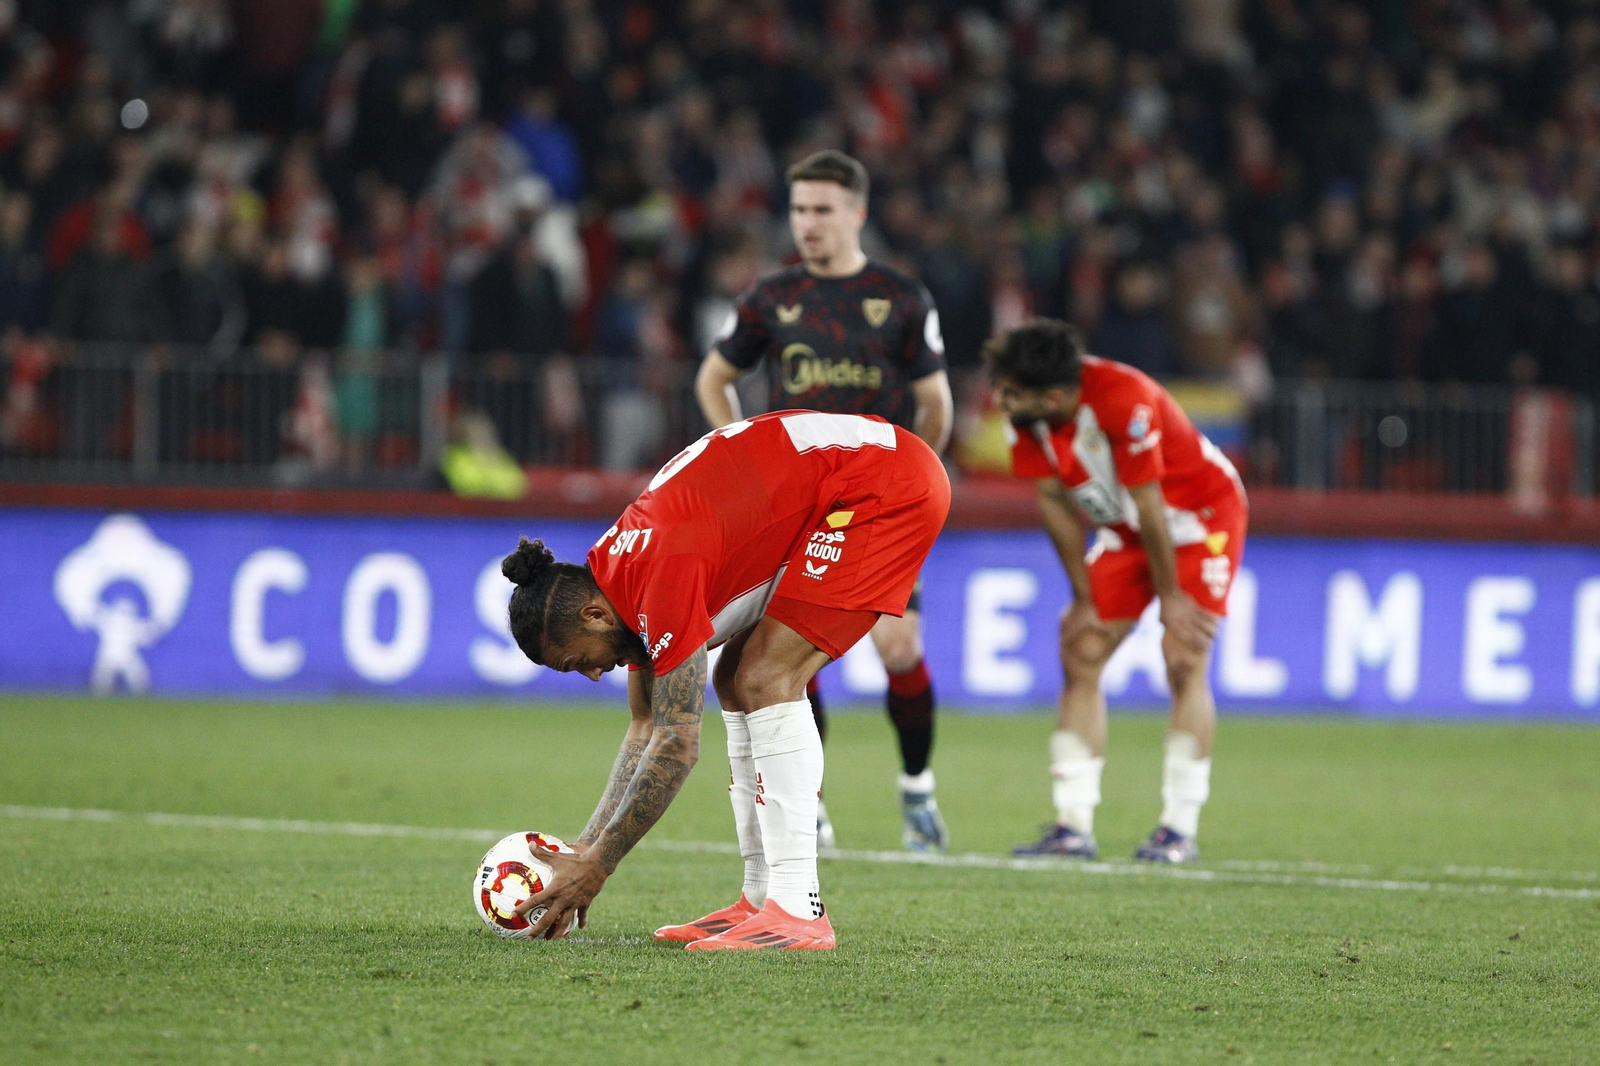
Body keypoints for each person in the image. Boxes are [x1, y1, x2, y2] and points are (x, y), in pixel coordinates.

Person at [502, 409, 950, 950]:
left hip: (884, 485)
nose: (595, 674)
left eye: (580, 662)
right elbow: (646, 724)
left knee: (765, 676)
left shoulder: (660, 571)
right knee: (735, 676)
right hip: (843, 485)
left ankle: (798, 908)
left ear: (592, 616)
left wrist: (599, 866)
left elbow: (677, 743)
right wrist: (584, 848)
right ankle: (760, 898)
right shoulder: (617, 578)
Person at [694, 149, 955, 852]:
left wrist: (915, 479)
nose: (808, 223)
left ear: (857, 213)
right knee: (782, 655)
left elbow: (936, 403)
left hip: (879, 504)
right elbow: (714, 378)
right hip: (799, 506)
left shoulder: (901, 299)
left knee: (899, 646)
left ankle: (917, 789)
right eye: (799, 209)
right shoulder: (772, 297)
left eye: (822, 209)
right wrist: (741, 455)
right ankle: (809, 803)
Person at [986, 319, 1247, 864]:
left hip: (1200, 520)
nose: (1001, 401)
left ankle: (1178, 828)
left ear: (1052, 397)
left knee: (1183, 658)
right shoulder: (1028, 414)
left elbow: (1151, 503)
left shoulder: (1125, 399)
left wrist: (1171, 596)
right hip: (1127, 530)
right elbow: (1054, 501)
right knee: (1081, 649)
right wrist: (1082, 598)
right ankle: (1072, 826)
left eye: (1010, 392)